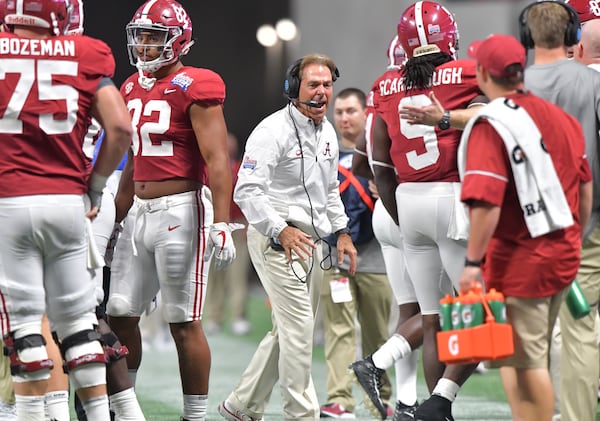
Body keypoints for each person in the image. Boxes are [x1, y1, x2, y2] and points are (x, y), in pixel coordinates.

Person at [350, 2, 486, 420]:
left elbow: (378, 161)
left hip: (407, 201)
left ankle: (434, 412)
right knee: (478, 310)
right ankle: (441, 398)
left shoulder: (385, 85)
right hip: (449, 198)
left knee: (431, 319)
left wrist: (399, 215)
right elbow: (497, 113)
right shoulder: (464, 73)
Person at [0, 0, 132, 419]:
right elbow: (121, 129)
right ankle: (97, 415)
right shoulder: (85, 53)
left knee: (25, 325)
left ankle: (29, 414)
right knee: (77, 321)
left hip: (10, 200)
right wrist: (94, 185)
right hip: (67, 200)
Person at [105, 1, 237, 420]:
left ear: (177, 40)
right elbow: (131, 164)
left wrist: (221, 222)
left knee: (183, 322)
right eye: (140, 35)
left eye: (153, 36)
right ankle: (125, 408)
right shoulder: (128, 88)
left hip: (180, 210)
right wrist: (114, 217)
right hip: (139, 210)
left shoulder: (196, 85)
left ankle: (194, 415)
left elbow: (217, 160)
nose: (144, 44)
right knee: (119, 313)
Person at [458, 33, 592, 421]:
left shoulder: (491, 123)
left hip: (522, 259)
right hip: (562, 253)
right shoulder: (560, 117)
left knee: (527, 360)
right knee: (526, 353)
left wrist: (471, 263)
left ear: (483, 73)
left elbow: (486, 203)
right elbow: (585, 187)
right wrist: (574, 239)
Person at [218, 53, 357, 421]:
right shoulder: (271, 132)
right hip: (276, 239)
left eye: (327, 84)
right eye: (313, 84)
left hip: (311, 243)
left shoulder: (326, 131)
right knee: (298, 332)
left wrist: (341, 231)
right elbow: (246, 190)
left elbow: (329, 191)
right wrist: (280, 228)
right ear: (293, 89)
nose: (322, 92)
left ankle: (241, 406)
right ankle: (301, 414)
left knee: (289, 331)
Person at [520, 2, 600, 420]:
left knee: (557, 330)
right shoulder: (589, 83)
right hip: (585, 217)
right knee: (574, 329)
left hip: (545, 223)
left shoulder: (519, 87)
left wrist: (445, 118)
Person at [350, 35, 424, 421]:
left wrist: (387, 182)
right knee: (437, 311)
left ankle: (407, 403)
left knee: (408, 310)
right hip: (423, 206)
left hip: (388, 208)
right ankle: (380, 365)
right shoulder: (438, 86)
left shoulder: (380, 97)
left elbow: (363, 164)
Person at [319, 87, 393, 419]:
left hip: (376, 258)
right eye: (339, 112)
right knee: (338, 330)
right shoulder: (322, 154)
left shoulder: (382, 155)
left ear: (366, 114)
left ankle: (381, 401)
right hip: (336, 257)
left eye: (351, 111)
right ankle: (339, 399)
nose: (345, 118)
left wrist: (389, 189)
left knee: (379, 333)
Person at [204, 132, 252, 337]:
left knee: (237, 274)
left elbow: (250, 196)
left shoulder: (241, 168)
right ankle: (214, 317)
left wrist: (248, 223)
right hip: (215, 225)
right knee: (214, 276)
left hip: (237, 224)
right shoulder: (208, 170)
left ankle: (238, 316)